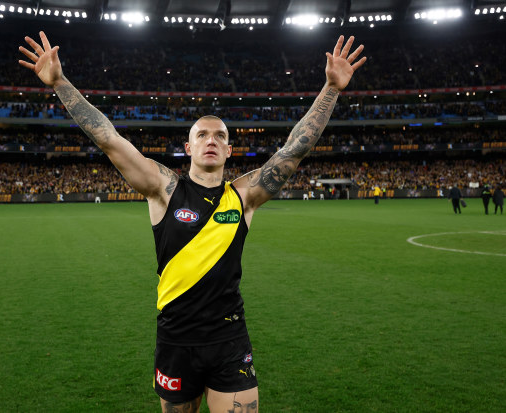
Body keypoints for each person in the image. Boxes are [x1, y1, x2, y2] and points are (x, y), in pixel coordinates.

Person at [19, 31, 366, 413]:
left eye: (220, 135)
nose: (211, 140)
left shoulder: (244, 194)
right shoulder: (163, 188)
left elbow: (295, 148)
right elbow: (110, 140)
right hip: (176, 340)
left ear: (230, 149)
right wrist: (60, 83)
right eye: (202, 134)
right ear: (189, 148)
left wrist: (331, 89)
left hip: (229, 338)